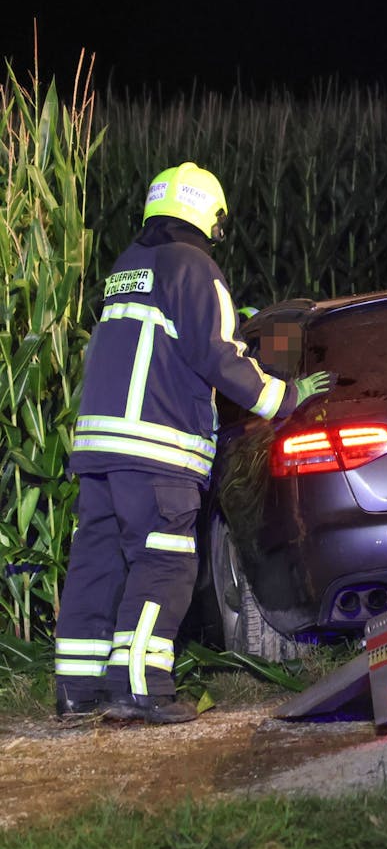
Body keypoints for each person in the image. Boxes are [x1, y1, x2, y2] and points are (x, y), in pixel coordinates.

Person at [53, 162, 331, 724]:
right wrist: (286, 397)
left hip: (100, 452)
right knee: (166, 566)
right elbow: (217, 357)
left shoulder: (128, 266)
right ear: (206, 211)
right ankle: (140, 689)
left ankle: (77, 689)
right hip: (157, 453)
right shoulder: (196, 269)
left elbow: (159, 344)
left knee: (97, 564)